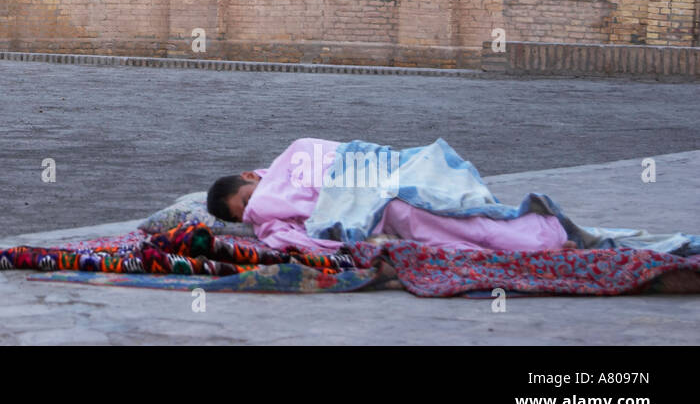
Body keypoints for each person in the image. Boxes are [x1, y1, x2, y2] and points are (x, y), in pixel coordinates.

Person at [207, 137, 570, 253]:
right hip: (380, 204)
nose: (252, 212)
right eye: (244, 217)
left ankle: (536, 233)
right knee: (420, 215)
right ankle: (537, 238)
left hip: (379, 173)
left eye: (247, 201)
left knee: (436, 199)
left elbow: (337, 155)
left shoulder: (295, 152)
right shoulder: (270, 218)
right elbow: (299, 225)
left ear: (250, 176)